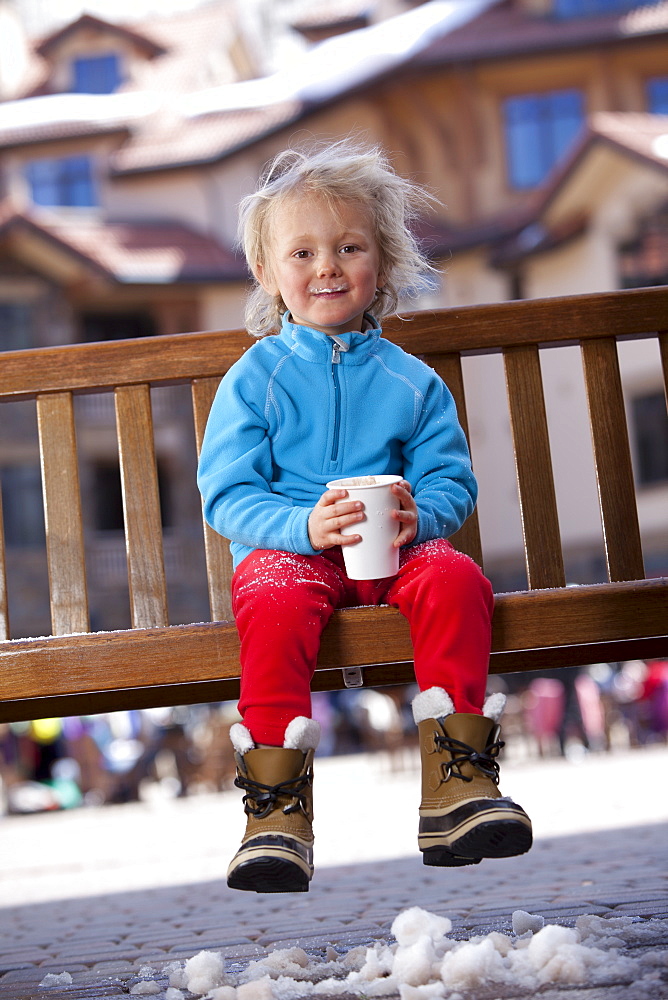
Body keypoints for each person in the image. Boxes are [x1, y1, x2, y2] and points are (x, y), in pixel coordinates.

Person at [197, 140, 532, 893]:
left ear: (380, 260)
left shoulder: (411, 382)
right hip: (296, 555)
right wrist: (299, 528)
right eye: (304, 252)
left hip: (397, 555)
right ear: (266, 272)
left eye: (349, 247)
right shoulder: (256, 379)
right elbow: (227, 493)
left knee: (455, 577)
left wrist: (426, 514)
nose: (327, 267)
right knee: (270, 594)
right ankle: (277, 812)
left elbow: (451, 478)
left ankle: (459, 783)